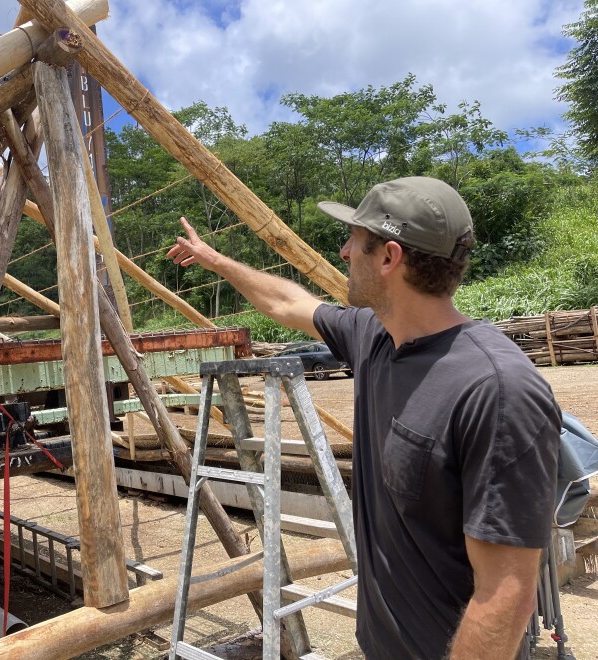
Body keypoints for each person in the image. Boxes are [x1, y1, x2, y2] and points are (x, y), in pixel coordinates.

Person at [167, 176, 560, 660]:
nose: (343, 251)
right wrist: (215, 260)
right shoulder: (374, 336)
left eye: (354, 239)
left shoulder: (496, 391)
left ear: (390, 257)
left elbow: (506, 593)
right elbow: (286, 302)